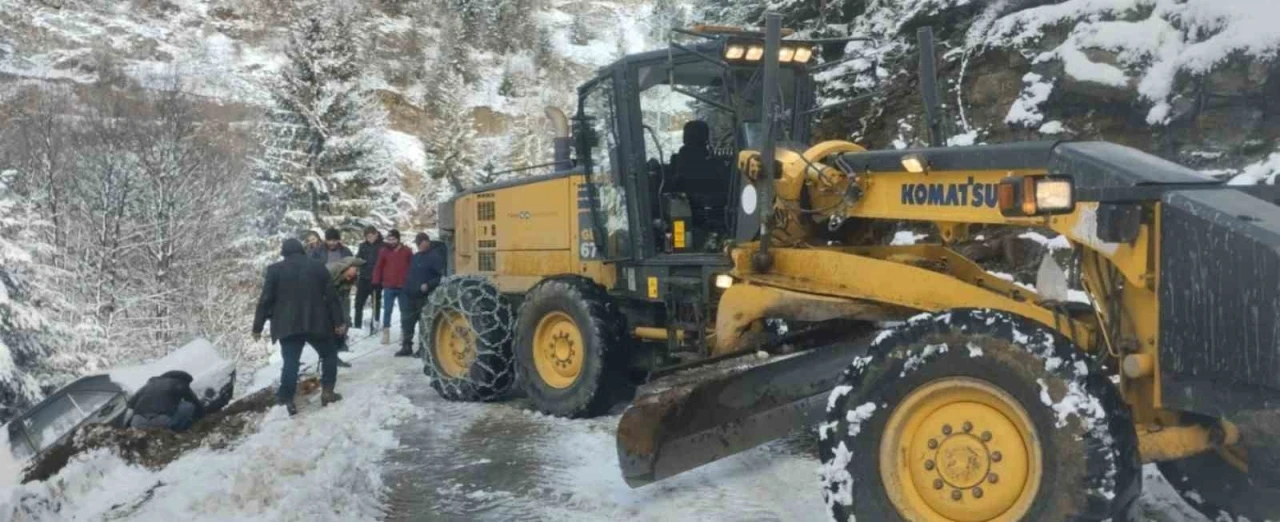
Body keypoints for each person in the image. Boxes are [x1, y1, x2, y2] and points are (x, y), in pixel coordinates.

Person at [253, 238, 347, 415]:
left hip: (287, 325)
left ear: (284, 253)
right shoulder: (318, 266)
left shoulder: (274, 270)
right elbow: (331, 297)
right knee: (329, 354)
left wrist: (257, 326)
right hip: (317, 322)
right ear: (302, 250)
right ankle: (327, 392)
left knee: (290, 362)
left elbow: (265, 300)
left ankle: (287, 400)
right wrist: (339, 322)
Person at [397, 232, 448, 357]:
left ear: (427, 242)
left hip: (425, 296)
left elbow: (441, 277)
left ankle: (423, 348)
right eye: (418, 243)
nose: (419, 246)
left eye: (421, 243)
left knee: (424, 323)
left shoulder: (435, 257)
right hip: (410, 294)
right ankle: (406, 346)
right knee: (407, 321)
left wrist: (428, 285)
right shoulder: (416, 257)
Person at [127, 370, 205, 431]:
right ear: (184, 380)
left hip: (137, 422)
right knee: (188, 405)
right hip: (160, 422)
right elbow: (194, 402)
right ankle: (177, 431)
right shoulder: (179, 383)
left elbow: (131, 404)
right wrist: (202, 415)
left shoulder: (149, 384)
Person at [372, 229, 412, 345]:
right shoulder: (384, 251)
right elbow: (378, 267)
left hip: (403, 286)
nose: (391, 242)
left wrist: (411, 281)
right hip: (389, 286)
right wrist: (376, 280)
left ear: (398, 239)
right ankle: (386, 332)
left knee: (404, 310)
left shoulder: (407, 251)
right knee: (387, 310)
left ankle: (404, 332)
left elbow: (412, 266)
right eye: (389, 239)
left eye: (393, 239)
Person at [326, 256, 364, 367]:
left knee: (345, 321)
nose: (357, 272)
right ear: (348, 266)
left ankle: (336, 350)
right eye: (355, 269)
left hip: (341, 298)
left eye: (358, 270)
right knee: (329, 326)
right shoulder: (331, 270)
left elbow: (347, 292)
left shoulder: (353, 276)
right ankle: (329, 356)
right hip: (327, 299)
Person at [354, 227, 383, 332]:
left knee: (376, 303)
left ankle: (375, 324)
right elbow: (358, 259)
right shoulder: (362, 246)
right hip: (364, 279)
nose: (369, 239)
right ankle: (357, 326)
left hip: (376, 279)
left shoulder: (382, 246)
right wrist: (357, 263)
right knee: (358, 303)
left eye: (371, 236)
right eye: (367, 237)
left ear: (376, 235)